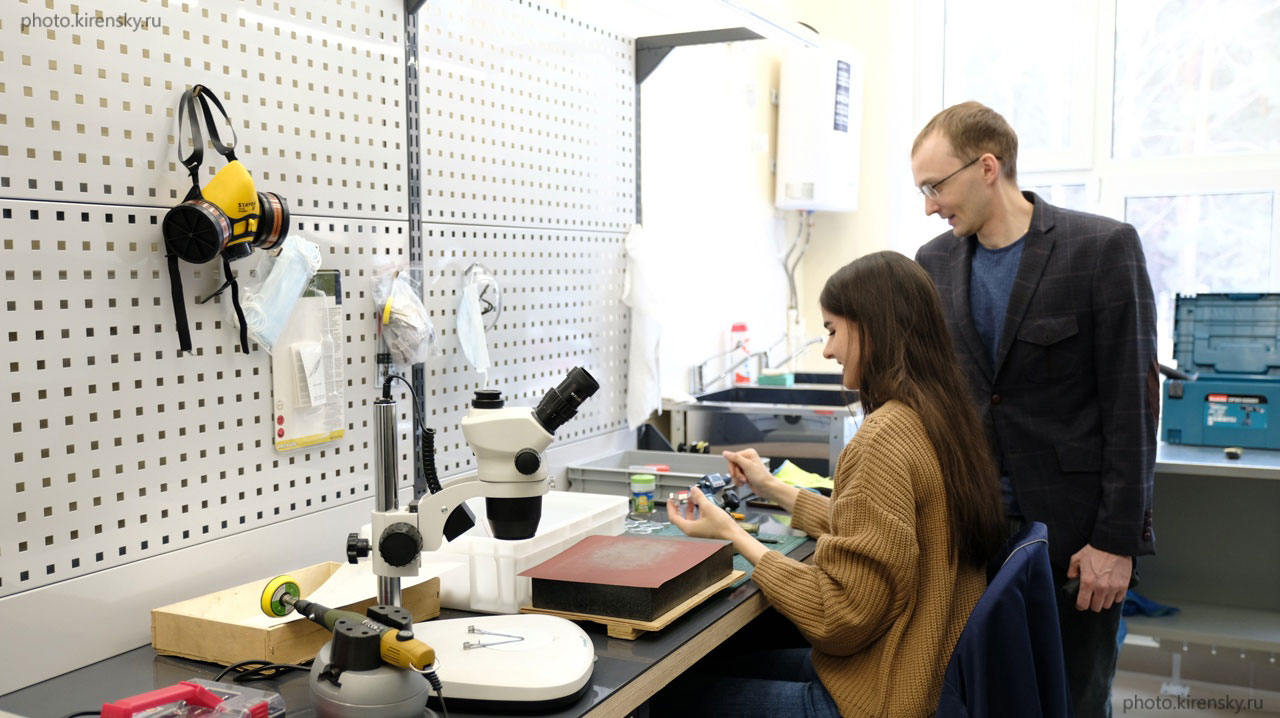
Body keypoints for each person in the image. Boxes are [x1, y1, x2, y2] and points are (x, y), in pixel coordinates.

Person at [654, 250, 1006, 718]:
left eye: (832, 330)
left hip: (885, 696)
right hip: (924, 676)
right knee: (720, 668)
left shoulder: (883, 437)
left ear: (871, 328)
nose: (827, 350)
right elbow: (884, 531)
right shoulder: (941, 415)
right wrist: (771, 488)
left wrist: (733, 534)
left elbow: (837, 616)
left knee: (667, 700)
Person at [911, 101, 1158, 717]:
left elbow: (1132, 407)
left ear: (987, 167)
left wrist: (1116, 543)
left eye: (935, 187)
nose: (930, 206)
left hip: (1074, 543)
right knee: (978, 701)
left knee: (1073, 702)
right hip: (971, 538)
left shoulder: (1100, 248)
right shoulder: (932, 263)